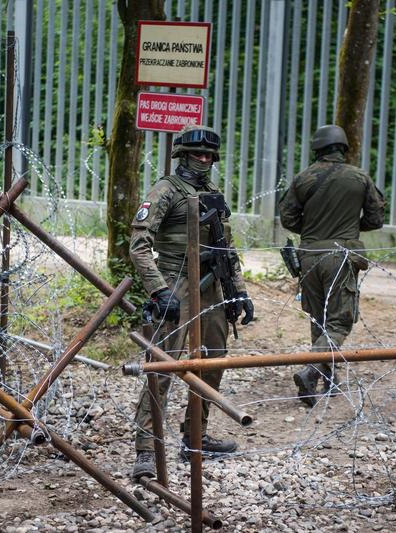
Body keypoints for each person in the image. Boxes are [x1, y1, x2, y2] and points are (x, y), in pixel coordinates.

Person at [128, 124, 255, 479]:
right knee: (163, 367)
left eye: (209, 156)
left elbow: (227, 249)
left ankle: (195, 436)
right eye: (198, 154)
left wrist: (239, 290)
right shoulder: (165, 191)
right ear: (182, 155)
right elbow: (138, 246)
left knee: (213, 362)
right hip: (176, 282)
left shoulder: (213, 192)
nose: (204, 160)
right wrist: (159, 289)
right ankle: (146, 448)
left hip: (213, 284)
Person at [278, 125, 385, 407]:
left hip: (309, 256)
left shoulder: (303, 178)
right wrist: (349, 227)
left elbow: (288, 218)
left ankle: (327, 378)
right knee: (340, 319)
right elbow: (375, 219)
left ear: (317, 149)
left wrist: (313, 228)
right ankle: (312, 369)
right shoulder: (359, 178)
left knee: (319, 317)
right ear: (343, 148)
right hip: (341, 255)